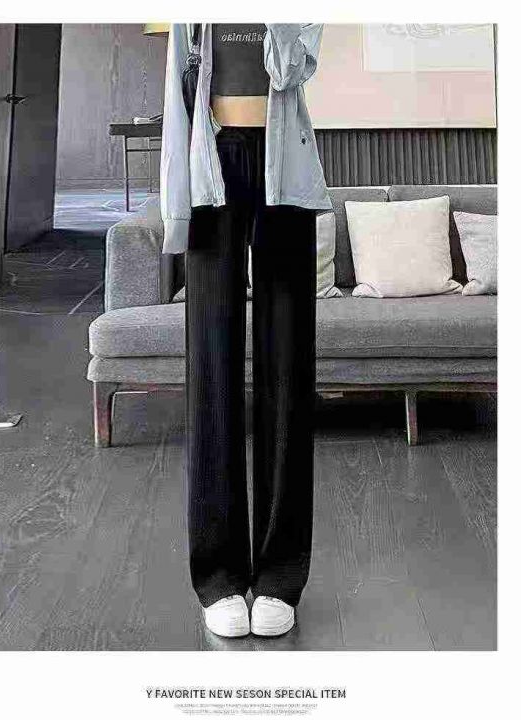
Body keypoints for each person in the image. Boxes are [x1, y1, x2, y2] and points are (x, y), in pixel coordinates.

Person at [160, 23, 331, 638]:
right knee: (212, 364)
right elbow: (178, 101)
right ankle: (219, 576)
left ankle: (281, 575)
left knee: (288, 366)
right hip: (213, 162)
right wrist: (174, 208)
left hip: (285, 166)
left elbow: (290, 70)